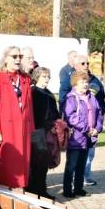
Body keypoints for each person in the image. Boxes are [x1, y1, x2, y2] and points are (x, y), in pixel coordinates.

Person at [0, 46, 34, 188]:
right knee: (6, 166)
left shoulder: (25, 78)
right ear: (6, 59)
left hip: (23, 129)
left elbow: (29, 106)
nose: (18, 59)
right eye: (14, 56)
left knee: (22, 165)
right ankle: (4, 197)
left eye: (20, 56)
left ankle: (20, 194)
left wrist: (31, 129)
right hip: (6, 128)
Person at [62, 71, 103, 198]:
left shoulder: (92, 97)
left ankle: (79, 188)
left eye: (86, 82)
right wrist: (86, 128)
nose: (85, 84)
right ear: (75, 84)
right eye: (82, 82)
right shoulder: (71, 98)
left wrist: (98, 127)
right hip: (76, 137)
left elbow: (99, 113)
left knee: (82, 164)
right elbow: (71, 117)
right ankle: (67, 190)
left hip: (89, 137)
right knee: (71, 165)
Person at [26, 67, 60, 199]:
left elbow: (55, 112)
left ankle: (42, 190)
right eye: (44, 76)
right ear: (37, 77)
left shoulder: (49, 93)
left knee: (44, 163)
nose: (47, 79)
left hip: (48, 131)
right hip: (36, 131)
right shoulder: (32, 92)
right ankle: (32, 191)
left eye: (48, 77)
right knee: (35, 162)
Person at [82, 55, 105, 186]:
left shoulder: (95, 82)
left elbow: (100, 104)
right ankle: (76, 178)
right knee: (76, 156)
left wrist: (98, 125)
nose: (86, 65)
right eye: (82, 63)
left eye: (87, 63)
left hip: (93, 126)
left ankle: (86, 177)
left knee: (90, 155)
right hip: (80, 128)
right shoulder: (72, 82)